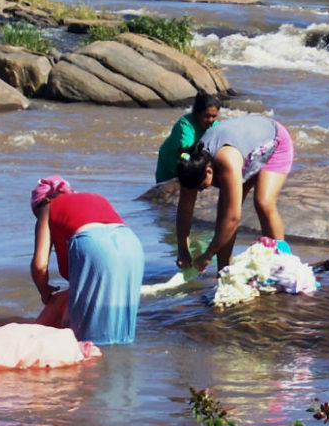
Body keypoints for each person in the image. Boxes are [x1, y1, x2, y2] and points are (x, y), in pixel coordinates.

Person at [30, 175, 144, 345]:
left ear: (42, 202)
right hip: (131, 244)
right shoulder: (94, 198)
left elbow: (39, 266)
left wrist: (44, 291)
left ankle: (90, 367)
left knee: (86, 339)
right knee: (121, 329)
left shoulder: (47, 207)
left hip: (94, 244)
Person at [174, 115, 294, 273]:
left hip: (274, 141)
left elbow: (233, 218)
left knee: (263, 202)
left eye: (201, 186)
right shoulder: (190, 166)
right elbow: (185, 209)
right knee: (224, 211)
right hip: (246, 149)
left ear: (209, 171)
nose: (199, 190)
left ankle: (281, 264)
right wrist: (182, 248)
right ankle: (223, 271)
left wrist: (208, 255)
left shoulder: (226, 161)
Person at [155, 92, 221, 183]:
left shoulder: (215, 126)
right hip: (170, 169)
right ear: (197, 113)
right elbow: (188, 152)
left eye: (214, 116)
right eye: (207, 116)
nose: (210, 120)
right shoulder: (185, 125)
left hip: (194, 169)